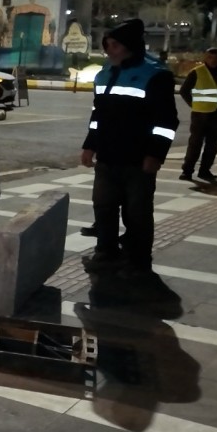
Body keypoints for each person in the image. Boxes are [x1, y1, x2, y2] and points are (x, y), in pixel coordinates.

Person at [80, 19, 180, 278]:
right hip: (107, 156)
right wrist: (90, 145)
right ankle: (106, 252)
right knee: (103, 206)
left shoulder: (155, 74)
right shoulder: (105, 73)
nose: (109, 50)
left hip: (138, 158)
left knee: (137, 212)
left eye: (115, 45)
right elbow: (98, 113)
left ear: (130, 46)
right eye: (107, 45)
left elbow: (166, 120)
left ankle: (138, 260)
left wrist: (155, 154)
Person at [178, 47, 217, 182]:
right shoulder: (197, 72)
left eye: (216, 58)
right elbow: (184, 91)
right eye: (210, 57)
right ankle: (187, 171)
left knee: (213, 145)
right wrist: (194, 105)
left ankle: (205, 171)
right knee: (195, 144)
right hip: (200, 114)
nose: (213, 61)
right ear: (205, 58)